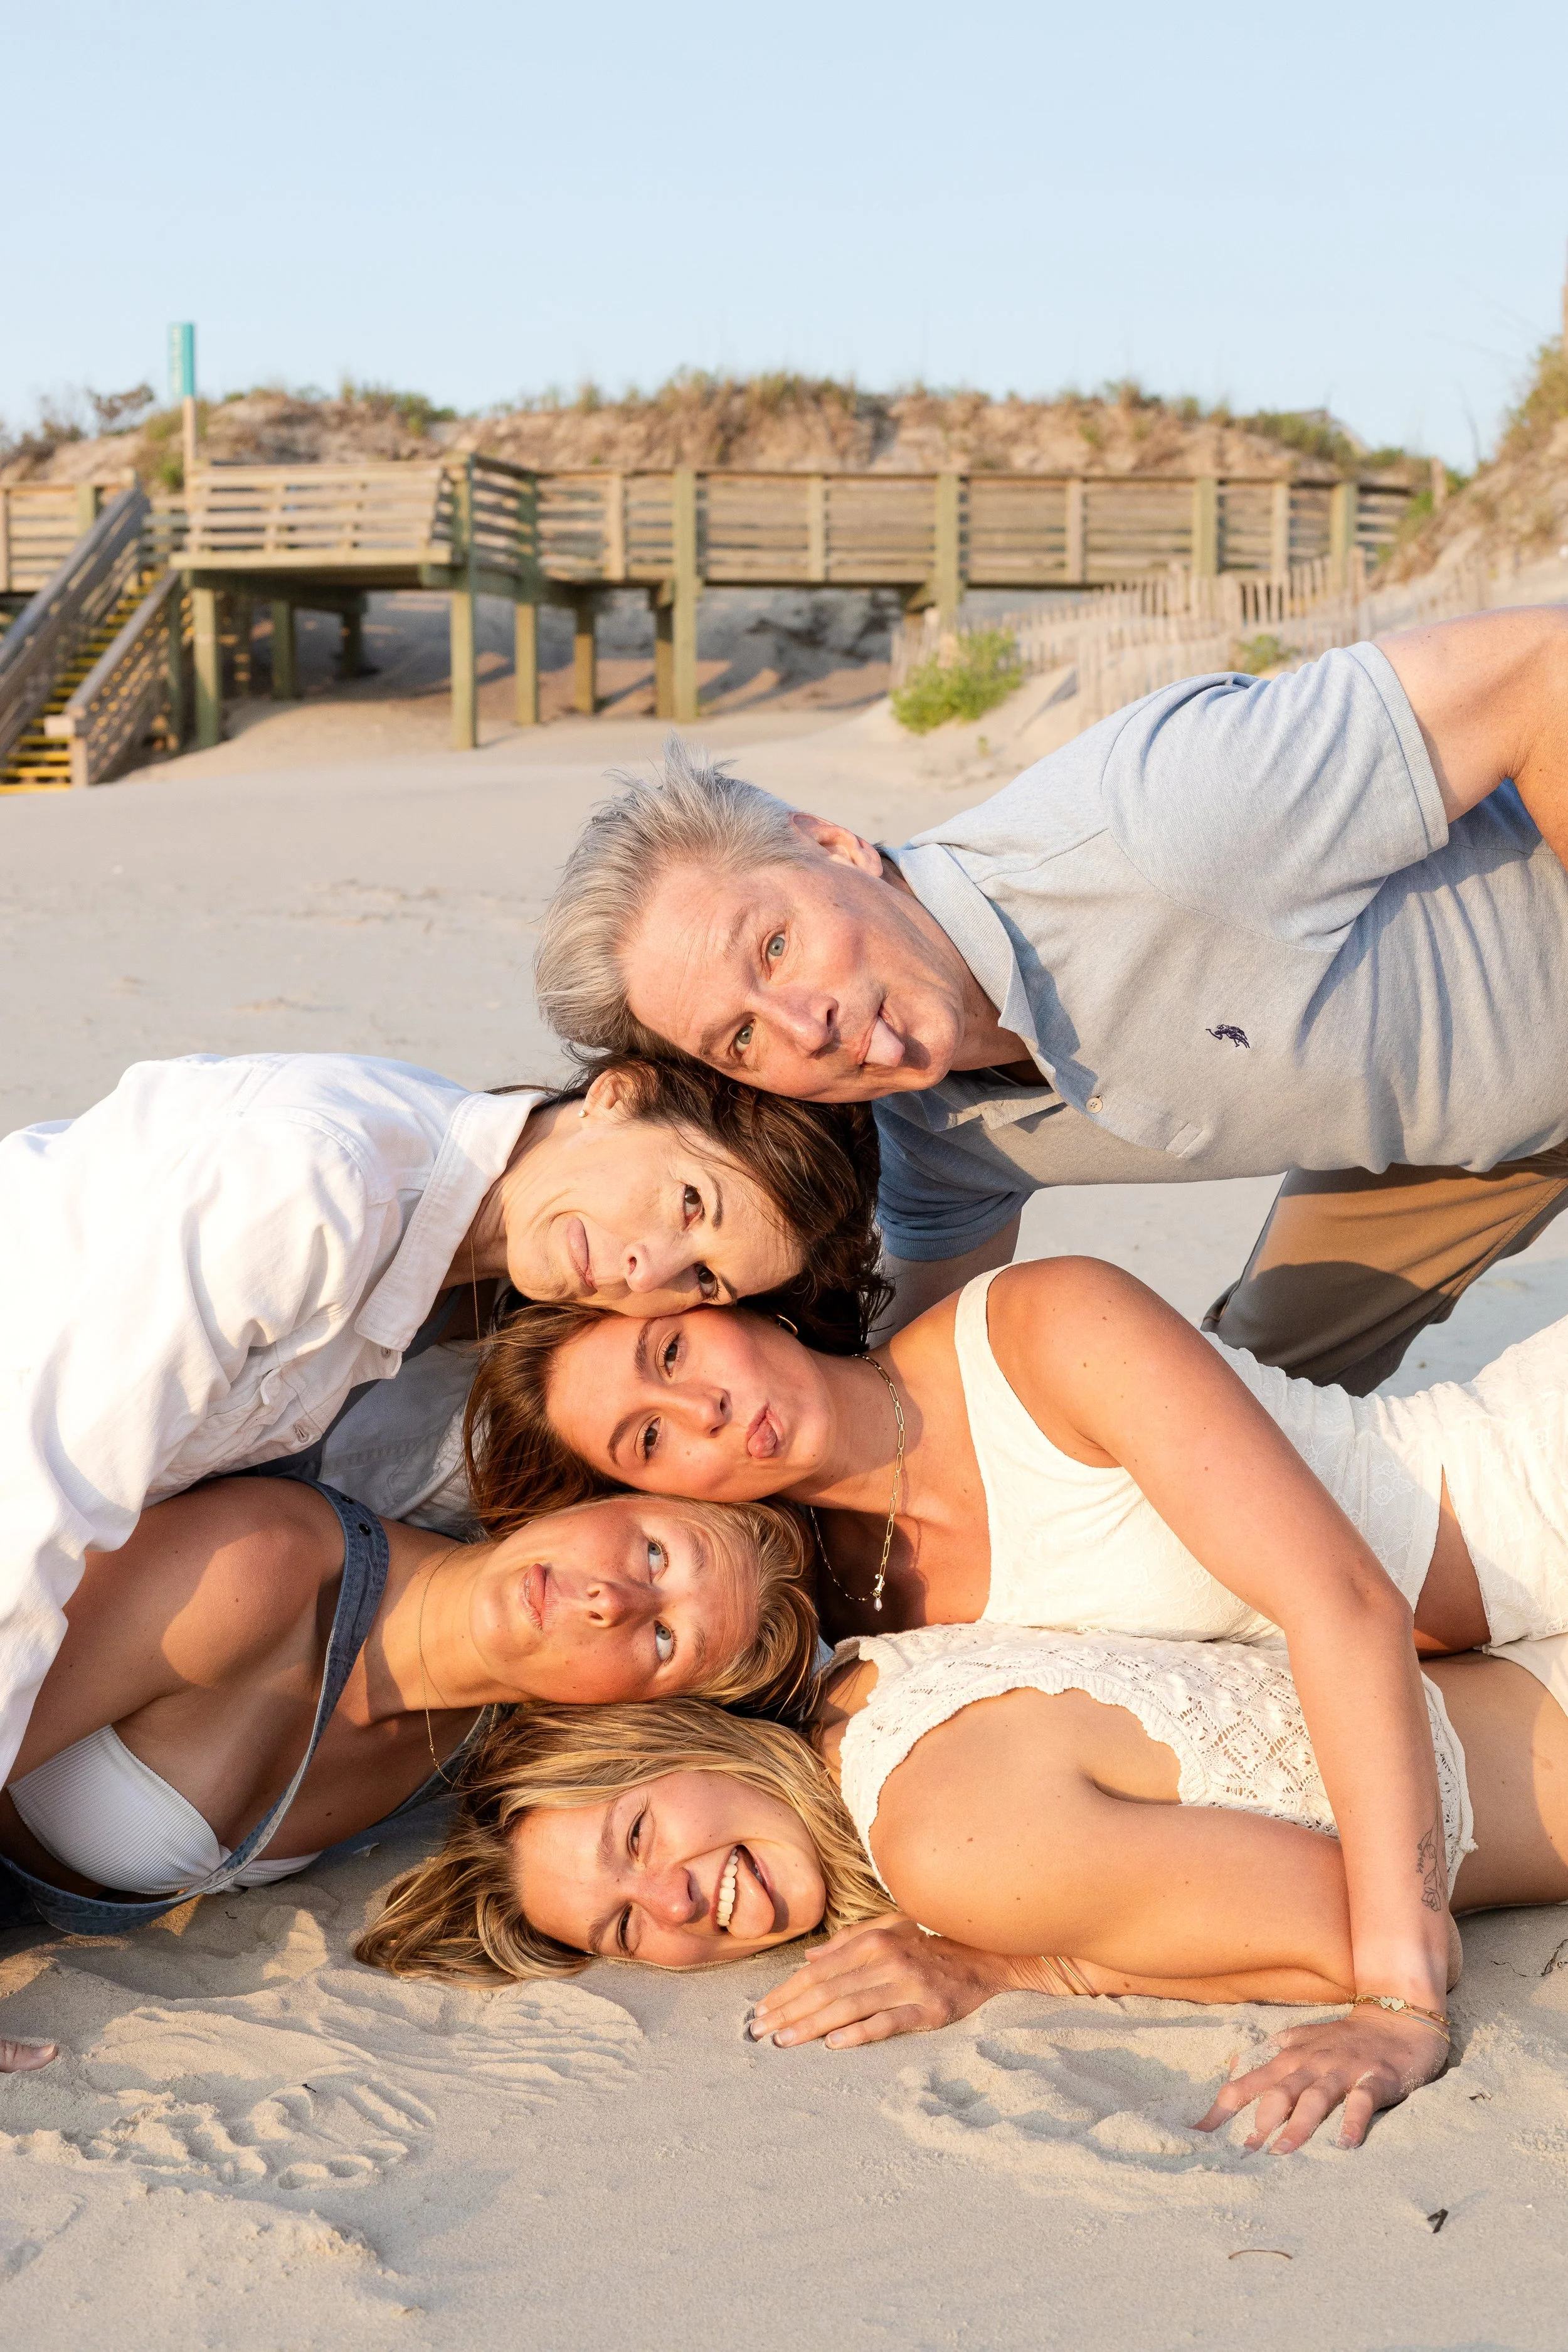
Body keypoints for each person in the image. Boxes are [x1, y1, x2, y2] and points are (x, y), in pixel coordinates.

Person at [462, 1253, 1568, 2116]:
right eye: (649, 1436)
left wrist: (1397, 2003)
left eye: (671, 1352)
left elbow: (1346, 1605)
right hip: (1501, 1662)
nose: (702, 1407)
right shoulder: (846, 1610)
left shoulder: (1041, 1332)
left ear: (731, 1299)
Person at [533, 609, 1568, 1391]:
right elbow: (915, 1389)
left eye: (775, 944)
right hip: (1449, 1121)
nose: (811, 1024)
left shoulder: (1159, 816)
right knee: (1257, 1396)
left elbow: (1543, 670)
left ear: (831, 843)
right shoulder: (930, 1140)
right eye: (744, 1034)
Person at [352, 1613, 1568, 2154]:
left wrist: (1006, 1966)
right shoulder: (870, 1673)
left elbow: (1360, 1927)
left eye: (635, 1835)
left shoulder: (940, 1840)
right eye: (622, 1927)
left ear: (685, 1744)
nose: (670, 1899)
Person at [0, 1048, 879, 1785]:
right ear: (619, 1093)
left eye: (705, 1278)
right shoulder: (322, 1187)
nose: (649, 1265)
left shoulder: (474, 1323)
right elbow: (39, 1494)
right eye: (689, 1200)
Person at [0, 1472, 814, 1959]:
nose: (613, 1599)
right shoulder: (258, 1569)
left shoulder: (485, 1750)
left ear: (645, 1708)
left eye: (666, 1637)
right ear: (610, 1495)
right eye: (654, 1553)